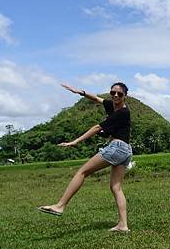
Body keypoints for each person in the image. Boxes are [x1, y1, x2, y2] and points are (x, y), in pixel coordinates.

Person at [38, 82, 133, 233]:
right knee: (116, 187)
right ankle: (123, 225)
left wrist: (74, 141)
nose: (115, 95)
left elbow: (97, 128)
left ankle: (60, 206)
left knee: (82, 172)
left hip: (117, 148)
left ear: (125, 96)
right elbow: (97, 99)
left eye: (119, 94)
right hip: (126, 151)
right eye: (113, 92)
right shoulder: (112, 105)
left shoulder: (122, 112)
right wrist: (80, 92)